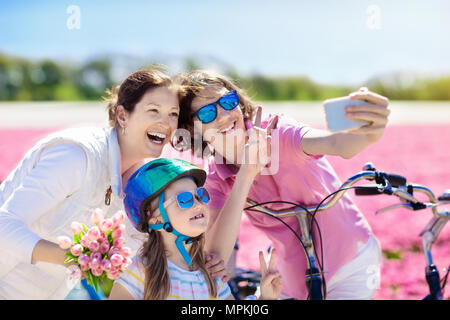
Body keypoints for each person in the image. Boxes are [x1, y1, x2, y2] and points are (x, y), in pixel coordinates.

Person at [0, 69, 226, 299]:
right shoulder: (77, 155)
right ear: (122, 115)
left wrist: (204, 261)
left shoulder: (137, 187)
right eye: (153, 110)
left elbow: (157, 247)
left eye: (172, 114)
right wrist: (76, 258)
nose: (165, 122)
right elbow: (3, 224)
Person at [174, 70, 390, 300]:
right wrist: (246, 173)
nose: (225, 114)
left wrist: (369, 131)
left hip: (350, 263)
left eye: (228, 101)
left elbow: (337, 143)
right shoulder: (217, 174)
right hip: (291, 277)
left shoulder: (278, 133)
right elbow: (216, 255)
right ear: (191, 130)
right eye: (207, 113)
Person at [109, 158, 282, 300]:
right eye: (184, 200)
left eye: (200, 195)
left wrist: (265, 298)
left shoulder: (211, 277)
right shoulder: (141, 273)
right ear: (157, 220)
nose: (198, 204)